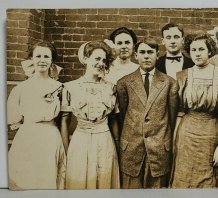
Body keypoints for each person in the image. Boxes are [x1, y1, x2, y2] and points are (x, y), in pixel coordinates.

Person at [170, 33, 218, 188]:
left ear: (209, 51)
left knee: (210, 178)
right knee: (184, 177)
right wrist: (174, 140)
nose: (197, 53)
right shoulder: (182, 76)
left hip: (211, 133)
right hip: (187, 133)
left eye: (201, 49)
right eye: (193, 50)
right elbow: (180, 111)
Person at [116, 37, 178, 188]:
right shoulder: (124, 82)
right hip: (132, 147)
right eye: (142, 52)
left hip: (159, 148)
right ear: (135, 55)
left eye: (150, 52)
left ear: (157, 55)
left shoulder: (169, 83)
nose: (146, 56)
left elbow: (172, 116)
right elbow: (122, 115)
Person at [60, 41, 120, 189]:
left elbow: (113, 120)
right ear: (86, 59)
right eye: (97, 58)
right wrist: (66, 151)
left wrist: (117, 146)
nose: (101, 63)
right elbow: (64, 122)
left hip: (104, 140)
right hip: (80, 140)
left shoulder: (111, 88)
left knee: (104, 179)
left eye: (104, 60)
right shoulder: (70, 87)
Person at [7, 41, 66, 190]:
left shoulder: (58, 87)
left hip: (50, 138)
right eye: (38, 56)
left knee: (47, 178)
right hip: (28, 137)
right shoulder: (21, 88)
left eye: (46, 56)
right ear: (31, 59)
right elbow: (13, 118)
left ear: (51, 60)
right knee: (27, 179)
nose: (42, 60)